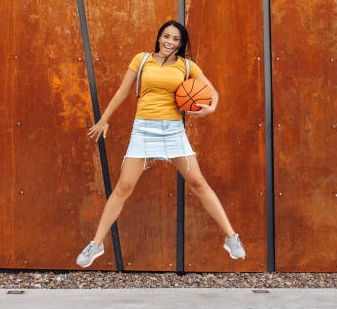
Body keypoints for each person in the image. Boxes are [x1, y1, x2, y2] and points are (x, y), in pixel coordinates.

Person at [76, 20, 245, 268]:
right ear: (159, 37)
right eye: (167, 37)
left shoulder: (187, 66)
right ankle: (96, 244)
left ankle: (231, 238)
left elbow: (213, 92)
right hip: (144, 129)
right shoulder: (142, 60)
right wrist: (104, 120)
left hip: (172, 130)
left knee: (198, 183)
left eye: (176, 39)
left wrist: (211, 109)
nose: (170, 42)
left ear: (180, 43)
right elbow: (123, 91)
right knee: (124, 187)